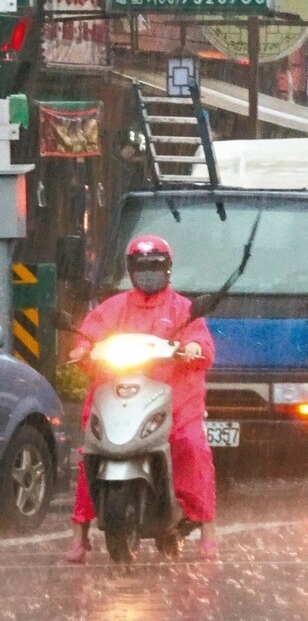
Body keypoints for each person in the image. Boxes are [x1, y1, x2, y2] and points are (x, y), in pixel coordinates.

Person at [65, 235, 219, 564]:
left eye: (155, 266)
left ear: (167, 269)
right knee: (89, 452)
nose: (148, 274)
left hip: (174, 403)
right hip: (118, 397)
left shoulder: (183, 309)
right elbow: (91, 333)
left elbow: (200, 342)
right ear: (130, 270)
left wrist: (192, 348)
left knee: (192, 447)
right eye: (141, 267)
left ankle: (206, 529)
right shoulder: (114, 307)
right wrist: (81, 349)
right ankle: (79, 534)